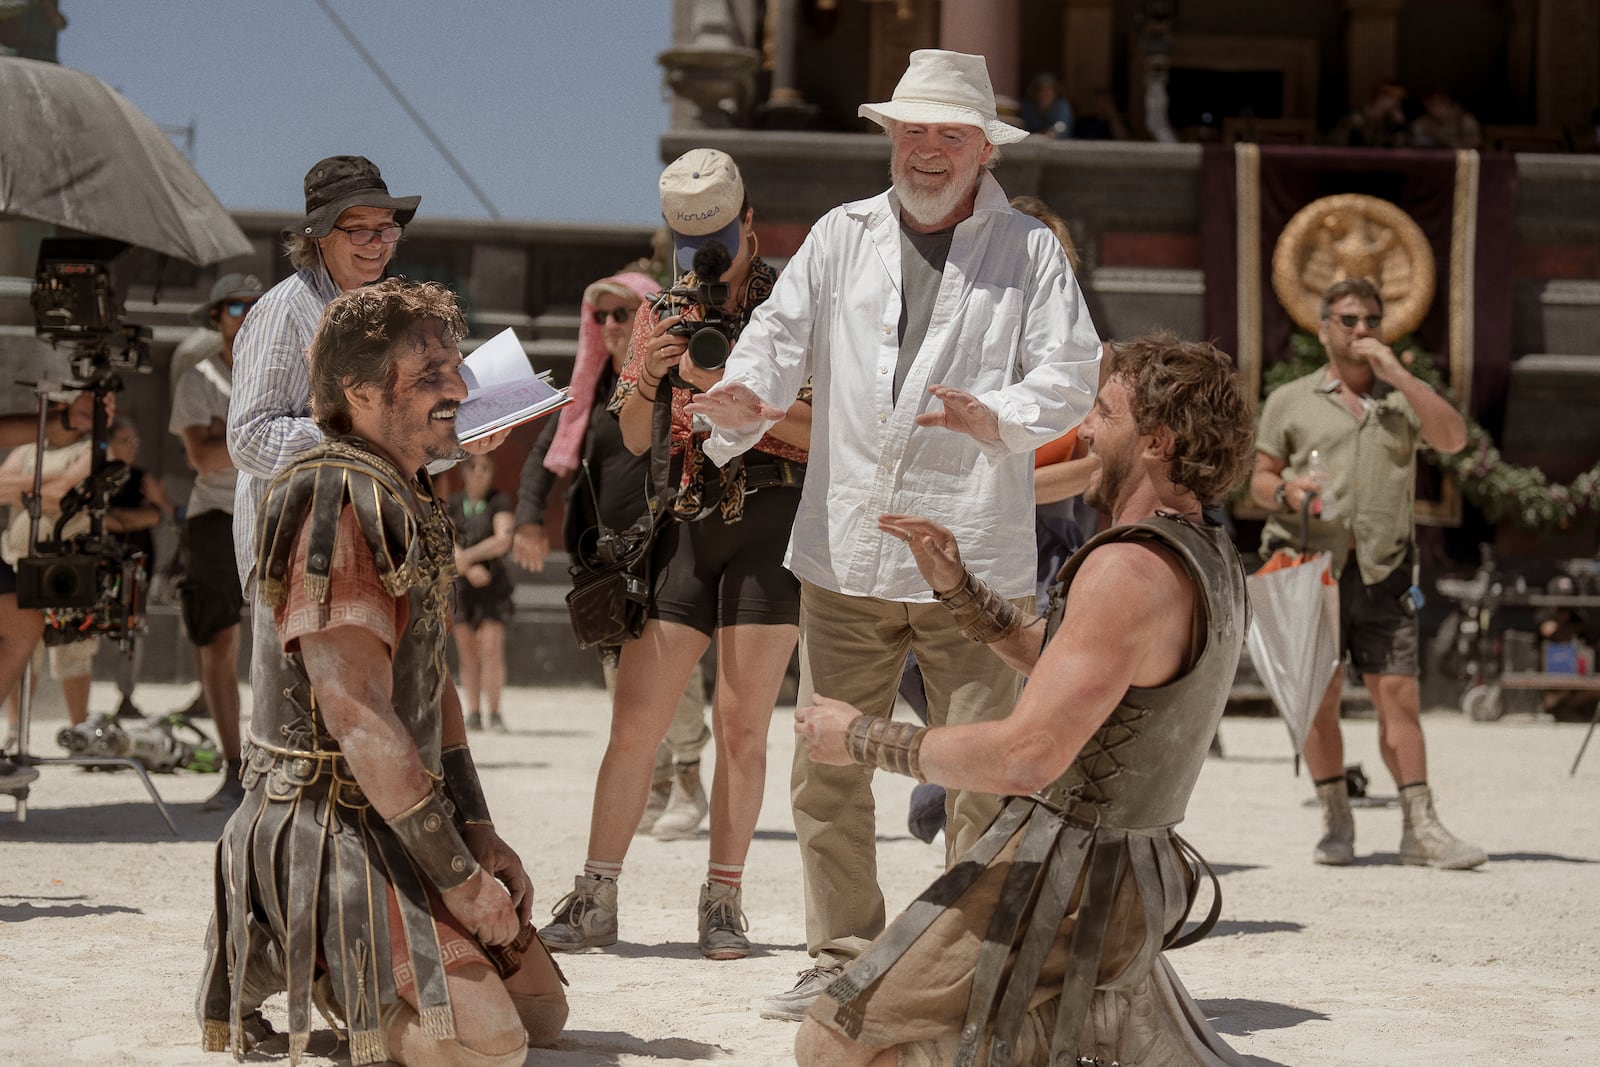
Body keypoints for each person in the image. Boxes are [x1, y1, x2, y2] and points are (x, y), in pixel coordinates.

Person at [688, 49, 1101, 1018]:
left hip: (970, 563)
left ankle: (965, 963)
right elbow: (776, 342)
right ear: (890, 138)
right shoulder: (840, 236)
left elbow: (1072, 372)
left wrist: (995, 415)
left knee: (981, 774)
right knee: (827, 763)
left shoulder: (1028, 251)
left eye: (947, 133)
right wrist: (745, 400)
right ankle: (841, 951)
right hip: (846, 549)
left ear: (981, 146)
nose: (925, 151)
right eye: (911, 132)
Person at [790, 333, 1256, 1066]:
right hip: (1134, 875)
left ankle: (1081, 1026)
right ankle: (1088, 1014)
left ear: (1158, 441)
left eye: (1103, 412)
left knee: (832, 1041)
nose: (1087, 431)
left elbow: (1024, 757)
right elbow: (1076, 666)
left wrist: (855, 736)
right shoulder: (1209, 556)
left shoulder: (1129, 569)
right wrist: (959, 589)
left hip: (1070, 883)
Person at [197, 278, 568, 1065]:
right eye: (428, 374)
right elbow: (357, 714)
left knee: (543, 1011)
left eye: (454, 367)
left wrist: (477, 831)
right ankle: (333, 970)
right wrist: (462, 884)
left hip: (399, 805)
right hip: (326, 825)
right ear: (361, 391)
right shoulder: (336, 494)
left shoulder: (408, 486)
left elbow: (431, 682)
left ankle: (389, 965)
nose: (458, 389)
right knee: (491, 1045)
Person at [537, 149, 810, 961]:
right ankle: (595, 894)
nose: (708, 261)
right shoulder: (665, 309)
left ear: (749, 223)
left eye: (720, 238)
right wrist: (653, 381)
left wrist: (752, 412)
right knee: (636, 722)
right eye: (693, 247)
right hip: (685, 525)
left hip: (771, 520)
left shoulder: (795, 299)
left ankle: (722, 899)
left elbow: (827, 430)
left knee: (743, 722)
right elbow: (625, 434)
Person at [226, 156, 509, 798]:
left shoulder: (381, 321)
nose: (379, 244)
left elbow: (396, 440)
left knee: (384, 722)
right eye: (362, 230)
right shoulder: (284, 312)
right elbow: (249, 438)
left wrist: (458, 439)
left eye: (388, 230)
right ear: (319, 235)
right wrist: (364, 432)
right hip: (296, 551)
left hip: (377, 548)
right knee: (300, 737)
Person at [1251, 277, 1483, 870]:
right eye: (1349, 320)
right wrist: (1287, 490)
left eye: (1371, 321)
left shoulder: (1402, 400)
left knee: (1399, 697)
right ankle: (1336, 818)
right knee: (1319, 698)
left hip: (1384, 570)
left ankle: (1420, 829)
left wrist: (1400, 374)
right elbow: (1257, 478)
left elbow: (1453, 439)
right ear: (1324, 328)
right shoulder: (1291, 399)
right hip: (1309, 569)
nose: (1361, 331)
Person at [512, 270, 713, 839]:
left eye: (622, 314)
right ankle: (653, 785)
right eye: (599, 316)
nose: (609, 327)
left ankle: (689, 782)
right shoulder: (587, 394)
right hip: (608, 561)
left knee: (673, 672)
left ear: (649, 317)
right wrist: (528, 519)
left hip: (673, 545)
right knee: (621, 679)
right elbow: (543, 456)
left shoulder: (679, 383)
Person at [170, 272, 261, 811]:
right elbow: (201, 459)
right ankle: (233, 767)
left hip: (275, 510)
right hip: (218, 518)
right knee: (220, 643)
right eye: (235, 306)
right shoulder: (199, 377)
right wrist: (260, 432)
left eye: (255, 304)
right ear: (215, 317)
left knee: (292, 642)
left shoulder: (286, 372)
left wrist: (229, 433)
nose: (246, 314)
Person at [104, 414, 175, 721]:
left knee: (132, 633)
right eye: (126, 440)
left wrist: (121, 518)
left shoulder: (141, 478)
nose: (133, 447)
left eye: (135, 441)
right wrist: (126, 518)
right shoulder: (96, 477)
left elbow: (155, 516)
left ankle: (126, 697)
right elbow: (100, 519)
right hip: (102, 570)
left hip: (137, 572)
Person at [448, 452, 514, 733]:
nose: (478, 472)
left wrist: (468, 558)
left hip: (492, 583)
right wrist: (465, 568)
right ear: (463, 471)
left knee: (491, 647)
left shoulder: (498, 501)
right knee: (467, 651)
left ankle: (495, 712)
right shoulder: (453, 503)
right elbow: (446, 542)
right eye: (473, 466)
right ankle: (473, 712)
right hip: (463, 585)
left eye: (485, 467)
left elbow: (503, 540)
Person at [1329, 80, 1409, 147]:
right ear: (1380, 96)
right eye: (1393, 98)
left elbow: (1400, 147)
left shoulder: (1390, 121)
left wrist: (1399, 124)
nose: (1397, 102)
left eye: (1400, 99)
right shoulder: (1355, 117)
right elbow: (1337, 143)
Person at [1409, 90, 1482, 149]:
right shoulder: (1423, 122)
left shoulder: (1464, 120)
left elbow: (1476, 141)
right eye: (1431, 105)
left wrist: (1451, 143)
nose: (1435, 109)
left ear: (1449, 103)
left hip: (1461, 158)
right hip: (1434, 159)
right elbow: (1415, 139)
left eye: (1439, 103)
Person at [1019, 71, 1073, 138]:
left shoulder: (1061, 106)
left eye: (1049, 89)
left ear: (1055, 91)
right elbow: (1023, 126)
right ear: (1034, 92)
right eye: (1041, 89)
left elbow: (1062, 126)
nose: (1045, 93)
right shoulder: (1028, 106)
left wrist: (1052, 133)